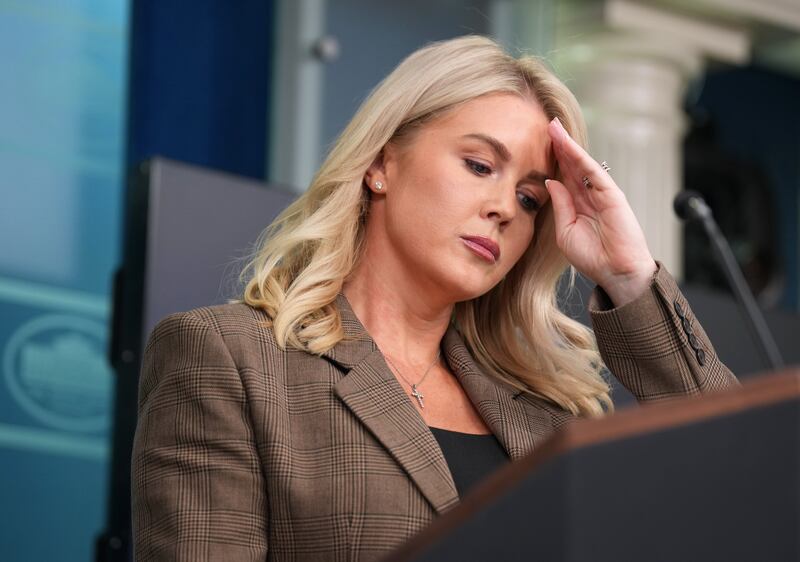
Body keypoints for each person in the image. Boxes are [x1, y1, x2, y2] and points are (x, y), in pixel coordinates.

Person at [131, 35, 738, 561]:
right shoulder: (227, 359)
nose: (504, 207)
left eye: (530, 200)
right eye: (479, 165)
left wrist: (630, 274)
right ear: (381, 163)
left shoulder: (554, 415)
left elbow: (741, 475)